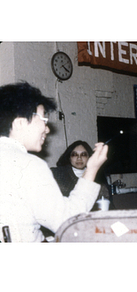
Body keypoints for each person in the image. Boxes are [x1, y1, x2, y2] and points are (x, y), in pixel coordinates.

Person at [0, 82, 108, 242]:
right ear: (20, 122)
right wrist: (91, 169)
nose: (47, 129)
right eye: (43, 119)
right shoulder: (29, 165)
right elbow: (68, 222)